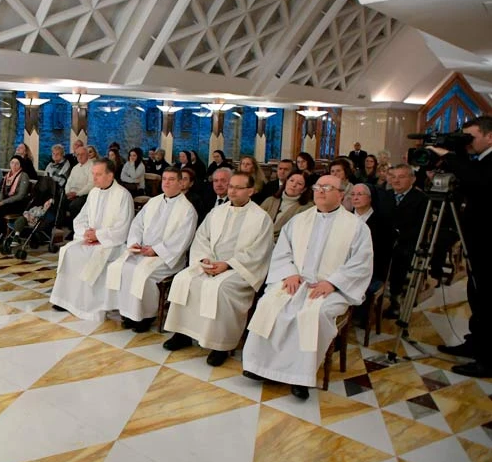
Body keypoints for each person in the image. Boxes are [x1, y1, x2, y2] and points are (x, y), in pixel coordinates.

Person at [244, 175, 373, 400]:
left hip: (331, 288)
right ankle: (260, 366)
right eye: (317, 187)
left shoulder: (356, 227)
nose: (320, 191)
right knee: (270, 304)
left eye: (327, 187)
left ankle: (300, 377)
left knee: (313, 314)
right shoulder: (299, 220)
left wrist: (333, 282)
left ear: (341, 194)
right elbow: (282, 251)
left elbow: (361, 263)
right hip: (296, 281)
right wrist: (289, 273)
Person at [162, 171, 274, 367]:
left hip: (238, 270)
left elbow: (258, 253)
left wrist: (227, 264)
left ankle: (220, 345)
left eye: (239, 188)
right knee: (183, 279)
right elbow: (201, 237)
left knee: (219, 289)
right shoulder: (217, 211)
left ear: (251, 191)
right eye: (231, 187)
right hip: (210, 263)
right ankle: (183, 333)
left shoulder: (261, 218)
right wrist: (205, 260)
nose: (232, 191)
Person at [428, 116, 492, 377]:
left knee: (487, 301)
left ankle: (487, 360)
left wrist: (450, 156)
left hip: (488, 242)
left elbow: (480, 183)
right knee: (476, 296)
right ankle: (475, 344)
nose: (468, 142)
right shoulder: (480, 160)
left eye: (472, 137)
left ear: (489, 136)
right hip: (477, 240)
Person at [107, 167, 197, 333]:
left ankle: (146, 316)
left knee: (144, 274)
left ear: (180, 183)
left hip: (166, 257)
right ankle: (128, 313)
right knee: (123, 267)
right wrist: (134, 242)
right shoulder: (153, 202)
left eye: (171, 179)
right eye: (164, 179)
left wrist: (156, 251)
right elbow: (137, 224)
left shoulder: (187, 210)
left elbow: (182, 239)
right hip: (143, 250)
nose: (167, 182)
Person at [49, 159, 134, 321]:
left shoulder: (123, 195)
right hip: (90, 239)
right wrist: (86, 233)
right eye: (93, 174)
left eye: (98, 175)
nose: (94, 179)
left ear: (110, 175)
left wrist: (99, 235)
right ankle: (67, 299)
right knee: (69, 251)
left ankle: (91, 304)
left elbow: (123, 227)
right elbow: (81, 218)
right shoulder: (94, 193)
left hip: (112, 244)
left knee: (90, 257)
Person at [383, 163, 428, 318]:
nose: (396, 181)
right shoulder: (386, 195)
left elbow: (421, 226)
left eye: (401, 177)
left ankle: (395, 299)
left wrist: (399, 236)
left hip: (408, 243)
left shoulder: (421, 199)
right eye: (393, 177)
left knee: (400, 258)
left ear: (412, 179)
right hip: (386, 240)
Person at [350, 183, 394, 328]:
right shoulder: (345, 218)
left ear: (370, 198)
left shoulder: (382, 221)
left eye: (359, 194)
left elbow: (383, 253)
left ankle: (358, 315)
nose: (355, 198)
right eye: (353, 194)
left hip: (371, 268)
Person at [260, 172, 314, 241]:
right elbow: (256, 221)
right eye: (291, 181)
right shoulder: (270, 200)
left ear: (304, 189)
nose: (294, 185)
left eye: (299, 184)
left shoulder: (307, 208)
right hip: (260, 239)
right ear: (286, 182)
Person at [0, 155, 31, 238]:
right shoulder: (7, 175)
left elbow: (20, 195)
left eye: (17, 164)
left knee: (0, 210)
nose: (14, 166)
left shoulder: (24, 176)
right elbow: (2, 191)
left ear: (20, 165)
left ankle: (2, 234)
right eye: (12, 163)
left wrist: (3, 202)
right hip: (7, 201)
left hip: (18, 203)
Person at [63, 145, 95, 229]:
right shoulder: (75, 168)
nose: (80, 156)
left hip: (84, 194)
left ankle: (76, 229)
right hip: (72, 194)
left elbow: (91, 184)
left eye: (82, 154)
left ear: (87, 155)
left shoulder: (91, 166)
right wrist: (67, 192)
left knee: (74, 205)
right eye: (78, 154)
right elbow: (68, 182)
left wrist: (77, 194)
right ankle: (63, 226)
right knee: (59, 201)